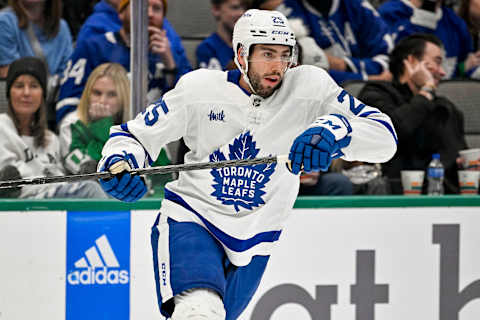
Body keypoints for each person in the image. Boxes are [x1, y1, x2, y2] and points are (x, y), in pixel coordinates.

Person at [97, 9, 397, 319]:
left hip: (257, 238)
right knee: (200, 311)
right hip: (192, 220)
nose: (277, 66)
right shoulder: (199, 89)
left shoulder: (310, 88)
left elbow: (385, 138)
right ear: (242, 54)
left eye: (285, 55)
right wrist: (119, 160)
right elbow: (134, 135)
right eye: (267, 54)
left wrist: (337, 130)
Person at [357, 33, 468, 194]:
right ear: (412, 61)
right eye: (436, 62)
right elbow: (393, 131)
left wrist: (467, 164)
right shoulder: (375, 94)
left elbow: (456, 155)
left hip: (444, 194)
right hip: (393, 194)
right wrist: (426, 92)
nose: (443, 72)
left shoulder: (444, 107)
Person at [55, 0, 192, 125]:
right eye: (143, 7)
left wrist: (171, 67)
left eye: (156, 8)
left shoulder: (170, 54)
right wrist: (93, 120)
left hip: (150, 140)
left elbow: (187, 108)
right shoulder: (94, 47)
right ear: (120, 13)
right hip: (97, 136)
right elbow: (67, 106)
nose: (149, 14)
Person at [0, 57, 106, 199]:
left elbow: (62, 178)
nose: (26, 93)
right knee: (90, 190)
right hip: (25, 206)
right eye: (19, 86)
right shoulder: (2, 128)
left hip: (54, 203)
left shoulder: (51, 139)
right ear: (9, 92)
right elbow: (9, 184)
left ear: (42, 94)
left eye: (34, 86)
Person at [276, 0, 394, 85]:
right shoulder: (284, 16)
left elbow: (388, 59)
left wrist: (342, 64)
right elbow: (306, 75)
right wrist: (368, 79)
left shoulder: (359, 6)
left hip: (373, 91)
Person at [378, 0, 480, 79]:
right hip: (404, 99)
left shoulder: (455, 23)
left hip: (447, 98)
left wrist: (468, 70)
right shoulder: (390, 14)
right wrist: (427, 11)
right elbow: (400, 60)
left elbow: (467, 67)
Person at [0, 0, 73, 78]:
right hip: (25, 88)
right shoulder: (5, 22)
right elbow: (10, 74)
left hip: (57, 88)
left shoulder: (62, 27)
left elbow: (68, 72)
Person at [196, 0, 248, 70]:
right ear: (216, 10)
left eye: (246, 8)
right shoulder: (208, 48)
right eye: (235, 7)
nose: (242, 13)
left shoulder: (249, 45)